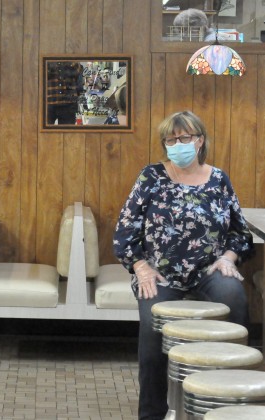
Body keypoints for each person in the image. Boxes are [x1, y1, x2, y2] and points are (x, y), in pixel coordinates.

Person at [113, 110, 254, 420]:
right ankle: (152, 413)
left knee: (234, 297)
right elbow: (124, 232)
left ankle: (228, 401)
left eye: (185, 138)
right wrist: (141, 267)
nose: (178, 145)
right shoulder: (151, 177)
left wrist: (228, 258)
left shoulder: (218, 179)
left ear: (199, 141)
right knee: (153, 329)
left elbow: (240, 234)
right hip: (159, 273)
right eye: (171, 140)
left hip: (208, 271)